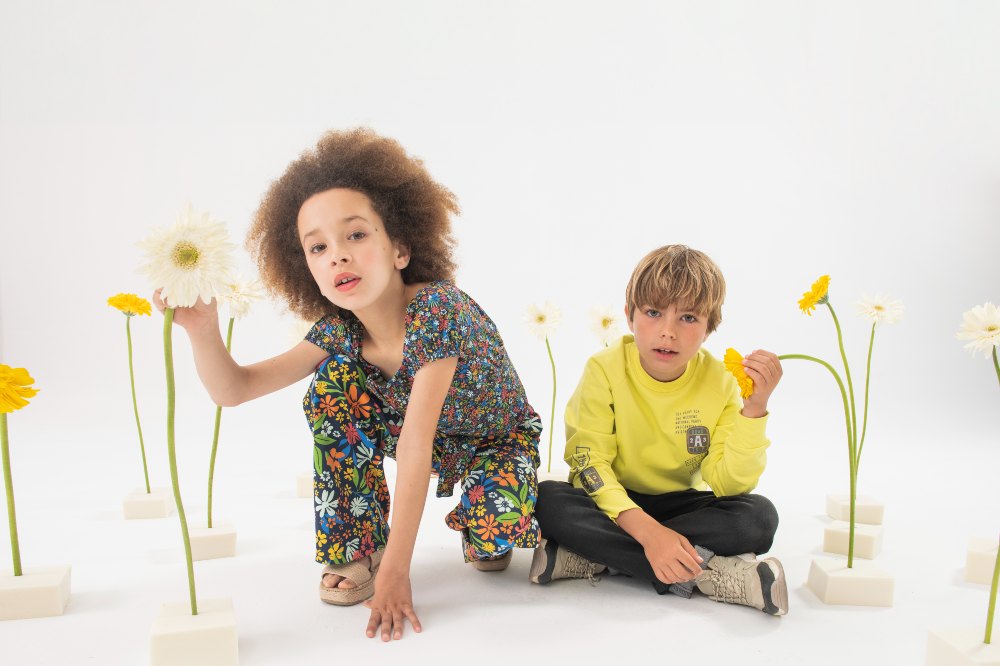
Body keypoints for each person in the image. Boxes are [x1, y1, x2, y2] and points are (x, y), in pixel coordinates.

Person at [154, 128, 541, 641]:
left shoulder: (438, 310)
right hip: (417, 437)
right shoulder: (339, 332)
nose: (337, 255)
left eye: (356, 235)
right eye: (318, 247)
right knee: (333, 384)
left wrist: (399, 573)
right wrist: (201, 329)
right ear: (305, 267)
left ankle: (479, 523)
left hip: (491, 437)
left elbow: (415, 443)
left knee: (497, 529)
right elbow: (235, 390)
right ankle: (357, 544)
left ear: (400, 249)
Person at [531, 244, 788, 616]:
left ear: (709, 327)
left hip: (681, 505)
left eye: (688, 318)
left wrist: (754, 409)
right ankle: (708, 573)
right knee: (547, 499)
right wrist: (650, 535)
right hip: (613, 501)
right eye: (653, 313)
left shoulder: (720, 382)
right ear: (630, 316)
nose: (667, 332)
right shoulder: (604, 370)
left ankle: (600, 559)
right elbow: (590, 464)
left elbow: (729, 485)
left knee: (759, 517)